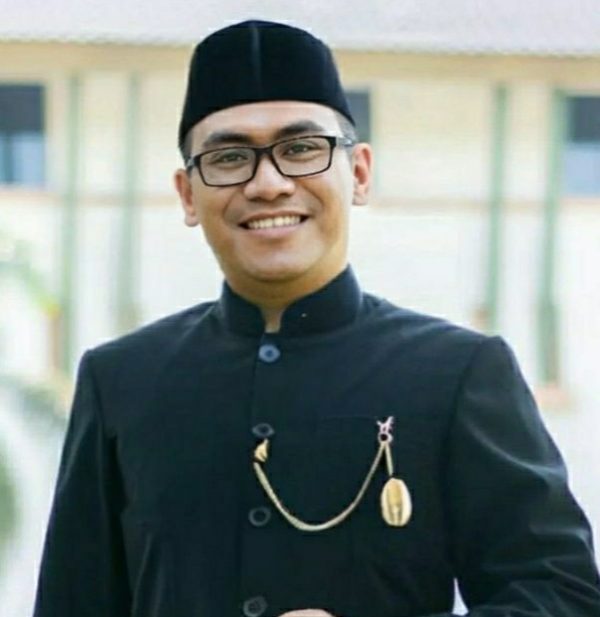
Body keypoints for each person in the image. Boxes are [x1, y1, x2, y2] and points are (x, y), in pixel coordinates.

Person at [33, 19, 600, 617]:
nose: (269, 184)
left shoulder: (458, 372)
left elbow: (563, 597)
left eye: (301, 149)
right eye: (229, 157)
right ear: (187, 194)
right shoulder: (121, 380)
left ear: (359, 173)